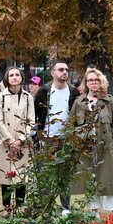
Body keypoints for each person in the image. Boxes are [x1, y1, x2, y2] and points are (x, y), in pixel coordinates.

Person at [69, 69, 113, 215]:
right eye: (90, 80)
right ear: (86, 83)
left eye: (96, 80)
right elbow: (71, 123)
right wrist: (77, 137)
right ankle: (95, 212)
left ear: (101, 82)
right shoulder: (79, 102)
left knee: (109, 179)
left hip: (106, 146)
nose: (94, 82)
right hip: (86, 147)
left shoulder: (109, 100)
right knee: (90, 179)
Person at [34, 61, 79, 214]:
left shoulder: (74, 92)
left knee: (65, 175)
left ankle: (65, 208)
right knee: (45, 175)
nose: (64, 72)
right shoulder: (44, 91)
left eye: (66, 69)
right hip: (47, 139)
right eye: (61, 69)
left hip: (66, 139)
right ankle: (46, 207)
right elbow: (35, 114)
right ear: (53, 73)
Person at [0, 67, 35, 216]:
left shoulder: (28, 97)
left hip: (23, 142)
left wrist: (21, 140)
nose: (14, 77)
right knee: (6, 176)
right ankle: (7, 208)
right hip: (5, 142)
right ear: (6, 78)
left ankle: (20, 206)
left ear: (21, 77)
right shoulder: (0, 97)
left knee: (21, 175)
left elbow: (31, 120)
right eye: (11, 75)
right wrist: (10, 140)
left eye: (17, 74)